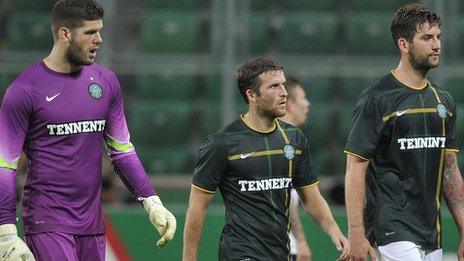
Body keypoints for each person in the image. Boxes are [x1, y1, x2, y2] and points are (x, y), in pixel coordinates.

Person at [0, 1, 176, 260]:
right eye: (90, 32)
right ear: (65, 34)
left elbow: (122, 151)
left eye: (100, 31)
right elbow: (5, 165)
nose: (99, 39)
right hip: (48, 223)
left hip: (92, 223)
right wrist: (5, 231)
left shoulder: (106, 82)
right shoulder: (24, 91)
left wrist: (151, 200)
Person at [183, 58, 349, 261]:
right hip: (240, 253)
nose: (284, 92)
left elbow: (312, 198)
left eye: (283, 84)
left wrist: (334, 230)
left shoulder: (294, 139)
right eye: (274, 86)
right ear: (251, 95)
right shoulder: (222, 144)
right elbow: (197, 206)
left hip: (280, 254)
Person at [344, 3, 464, 261]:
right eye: (427, 38)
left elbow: (449, 170)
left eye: (438, 37)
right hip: (391, 227)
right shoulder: (377, 98)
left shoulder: (443, 101)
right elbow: (355, 166)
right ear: (403, 44)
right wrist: (356, 232)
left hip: (431, 231)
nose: (436, 45)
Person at [279, 77, 312, 261]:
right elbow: (288, 201)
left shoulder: (294, 141)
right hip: (283, 247)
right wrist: (301, 241)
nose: (307, 104)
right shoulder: (284, 146)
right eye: (303, 98)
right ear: (290, 104)